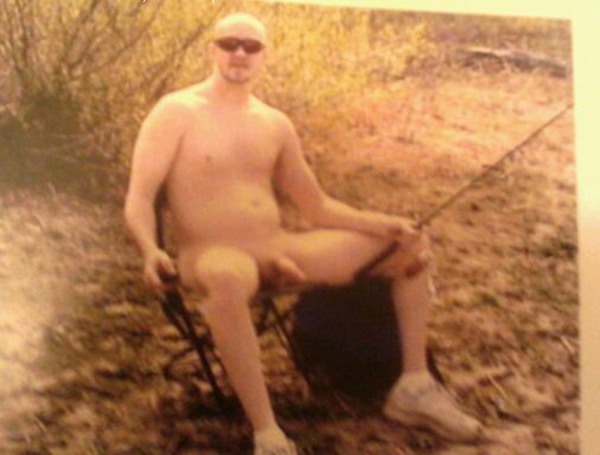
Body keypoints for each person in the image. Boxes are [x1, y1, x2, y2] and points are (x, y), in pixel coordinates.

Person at [124, 12, 482, 455]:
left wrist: (382, 224)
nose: (240, 53)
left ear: (264, 56)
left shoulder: (274, 122)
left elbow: (316, 207)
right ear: (212, 50)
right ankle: (268, 433)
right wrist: (150, 250)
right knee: (228, 278)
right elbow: (139, 198)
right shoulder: (176, 111)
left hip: (277, 246)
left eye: (251, 46)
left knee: (408, 246)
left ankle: (413, 386)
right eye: (230, 43)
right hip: (213, 254)